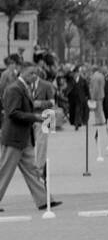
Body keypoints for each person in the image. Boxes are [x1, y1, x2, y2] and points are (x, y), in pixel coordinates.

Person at [0, 64, 60, 213]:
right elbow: (13, 113)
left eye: (36, 73)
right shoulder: (14, 88)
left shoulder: (23, 87)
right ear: (22, 72)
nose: (34, 76)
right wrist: (35, 117)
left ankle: (44, 200)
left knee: (32, 171)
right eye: (31, 73)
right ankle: (44, 200)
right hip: (14, 138)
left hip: (24, 138)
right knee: (4, 171)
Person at [67, 64, 90, 130]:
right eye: (75, 73)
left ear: (78, 73)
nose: (76, 74)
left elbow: (86, 89)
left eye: (77, 73)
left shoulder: (83, 80)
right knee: (73, 111)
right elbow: (67, 75)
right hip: (72, 99)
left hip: (80, 98)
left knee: (78, 110)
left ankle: (77, 124)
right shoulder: (71, 80)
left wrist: (89, 97)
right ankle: (77, 122)